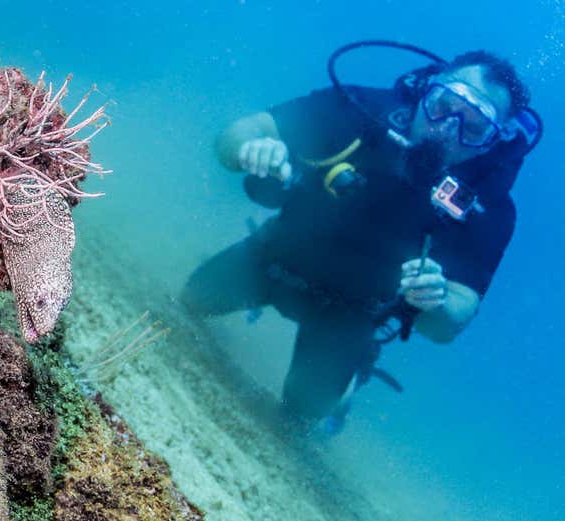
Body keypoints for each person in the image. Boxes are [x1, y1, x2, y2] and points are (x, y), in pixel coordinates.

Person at [180, 45, 541, 427]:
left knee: (300, 416)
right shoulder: (358, 109)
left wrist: (437, 301)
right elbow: (240, 132)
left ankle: (351, 379)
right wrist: (251, 148)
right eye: (444, 105)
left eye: (472, 127)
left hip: (348, 314)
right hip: (270, 259)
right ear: (426, 90)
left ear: (491, 142)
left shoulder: (489, 207)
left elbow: (453, 320)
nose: (446, 128)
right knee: (188, 300)